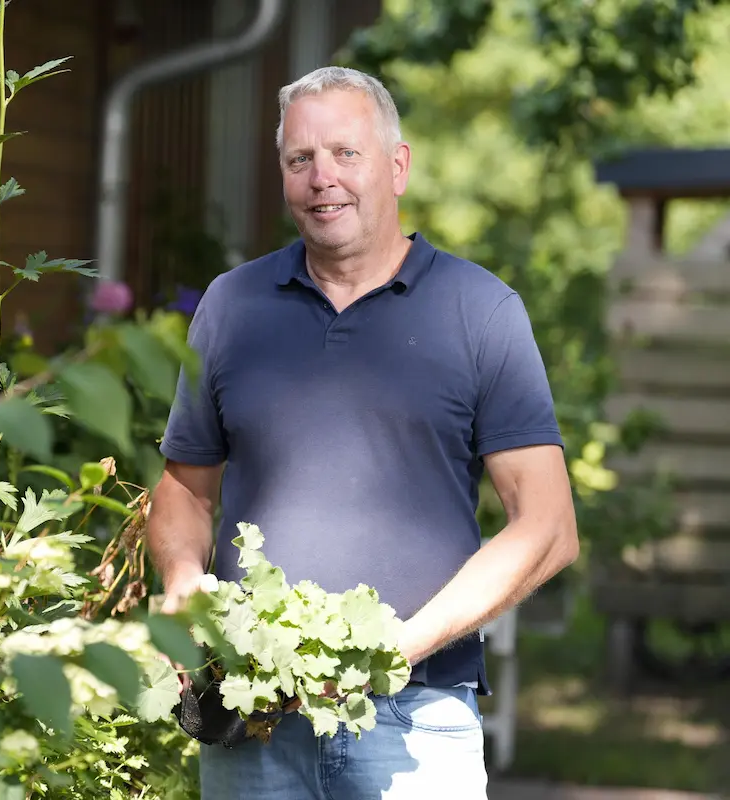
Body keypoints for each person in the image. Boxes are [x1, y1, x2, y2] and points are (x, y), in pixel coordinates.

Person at [146, 65, 579, 799]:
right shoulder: (233, 305)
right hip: (253, 724)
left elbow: (548, 528)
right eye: (300, 160)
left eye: (346, 154)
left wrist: (400, 649)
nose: (323, 179)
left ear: (398, 165)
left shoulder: (480, 311)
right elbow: (186, 488)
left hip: (418, 722)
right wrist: (185, 585)